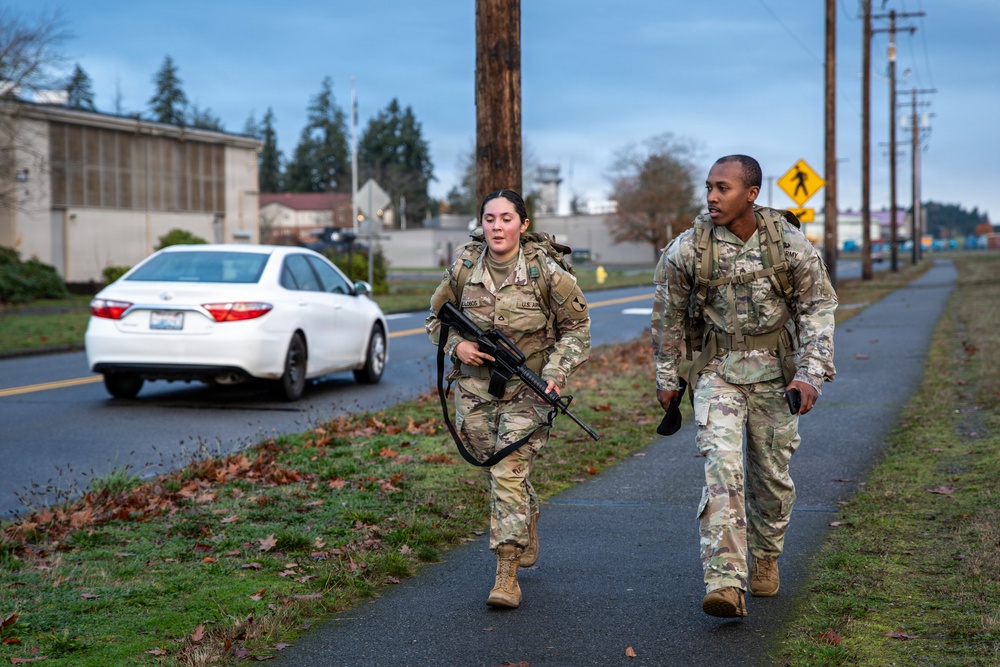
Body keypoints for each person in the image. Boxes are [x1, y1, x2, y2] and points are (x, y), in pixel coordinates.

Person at [651, 155, 837, 618]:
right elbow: (669, 317)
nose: (712, 197)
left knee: (771, 480)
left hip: (778, 373)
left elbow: (819, 308)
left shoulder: (790, 245)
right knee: (723, 470)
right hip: (718, 372)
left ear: (751, 194)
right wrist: (668, 378)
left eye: (723, 188)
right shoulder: (687, 249)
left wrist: (810, 374)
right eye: (709, 187)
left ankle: (767, 554)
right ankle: (725, 582)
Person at [426, 189, 591, 608]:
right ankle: (526, 512)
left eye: (506, 218)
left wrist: (554, 374)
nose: (497, 227)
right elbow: (434, 319)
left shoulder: (547, 273)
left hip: (529, 390)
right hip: (475, 388)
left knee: (506, 470)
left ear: (523, 224)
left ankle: (506, 571)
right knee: (492, 462)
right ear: (481, 224)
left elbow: (578, 329)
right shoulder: (464, 268)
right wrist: (457, 347)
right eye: (489, 219)